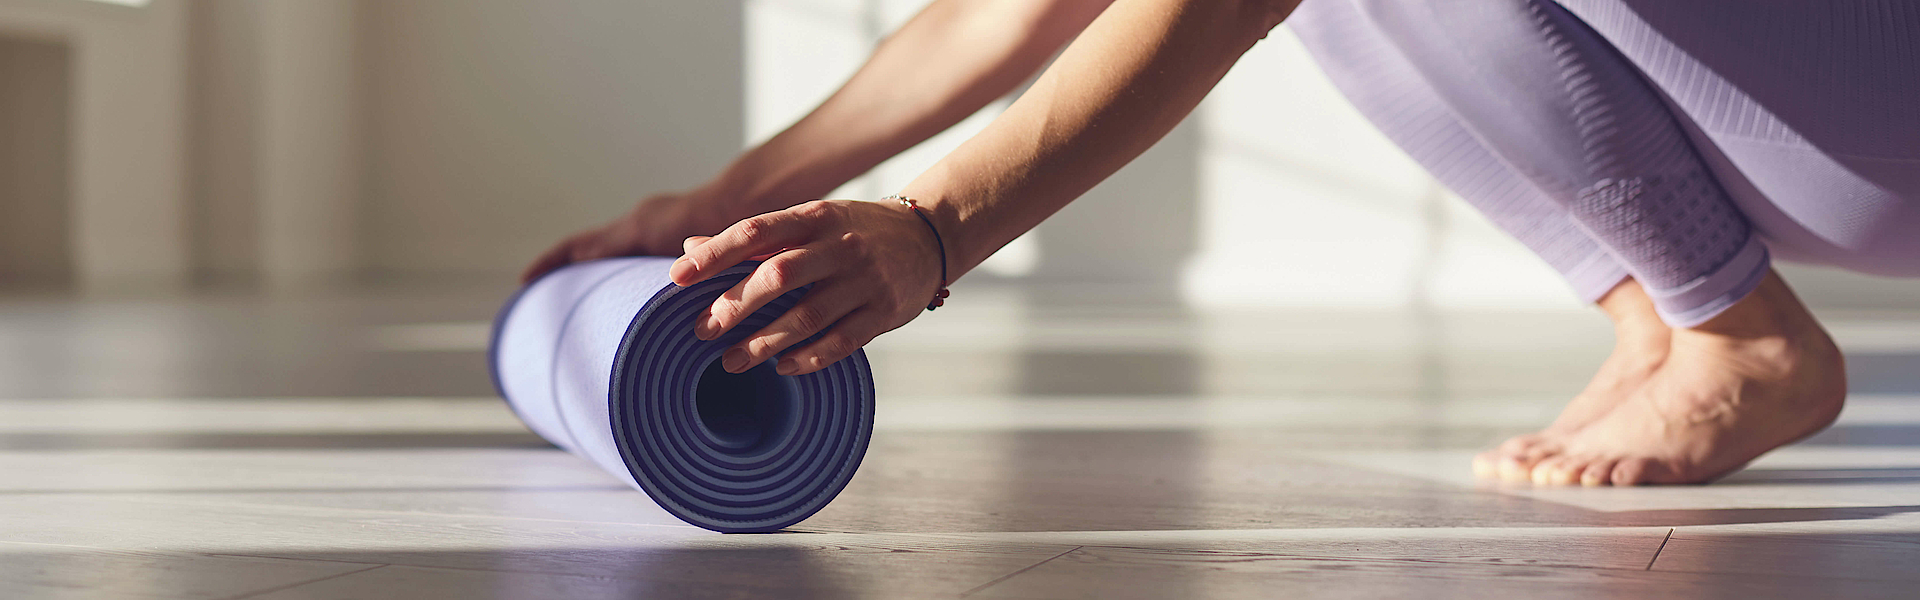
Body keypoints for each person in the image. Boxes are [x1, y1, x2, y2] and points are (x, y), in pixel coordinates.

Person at [522, 0, 1920, 486]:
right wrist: (723, 199)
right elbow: (1001, 17)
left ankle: (1735, 331)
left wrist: (930, 233)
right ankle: (1669, 317)